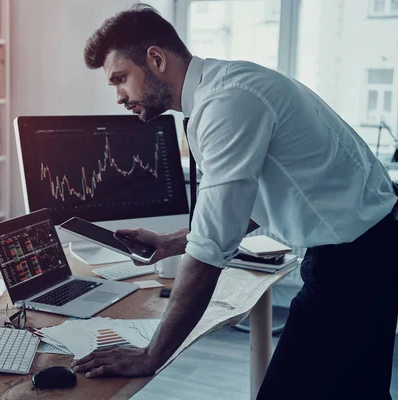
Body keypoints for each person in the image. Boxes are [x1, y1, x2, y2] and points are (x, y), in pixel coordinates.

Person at [70, 3, 398, 399]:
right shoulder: (228, 85)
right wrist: (175, 242)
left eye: (121, 79)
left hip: (356, 263)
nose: (119, 96)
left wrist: (150, 355)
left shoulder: (225, 104)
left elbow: (210, 254)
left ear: (155, 59)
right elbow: (246, 201)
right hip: (369, 248)